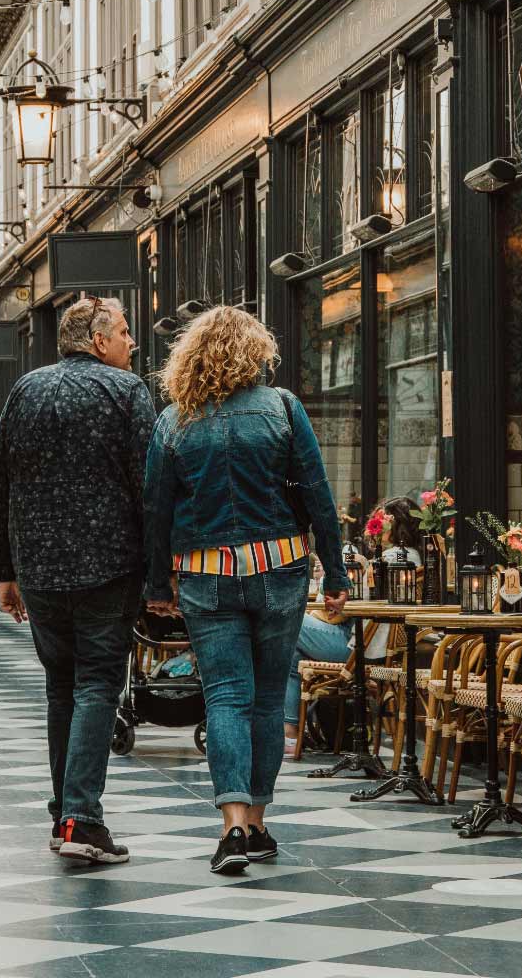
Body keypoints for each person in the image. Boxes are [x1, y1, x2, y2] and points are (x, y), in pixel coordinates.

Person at [144, 306, 347, 875]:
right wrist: (336, 573)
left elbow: (155, 508)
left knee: (225, 696)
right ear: (256, 351)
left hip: (206, 575)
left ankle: (232, 824)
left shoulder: (174, 420)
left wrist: (157, 583)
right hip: (279, 567)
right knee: (264, 697)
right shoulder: (282, 408)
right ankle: (258, 821)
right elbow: (316, 494)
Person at [0, 297, 153, 866]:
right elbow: (147, 489)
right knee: (98, 684)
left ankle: (64, 814)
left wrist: (3, 569)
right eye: (126, 332)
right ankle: (83, 816)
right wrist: (159, 574)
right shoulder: (126, 393)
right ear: (98, 340)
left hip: (39, 571)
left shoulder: (25, 391)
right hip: (108, 567)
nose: (133, 343)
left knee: (62, 686)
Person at [282, 498, 413, 754]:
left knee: (287, 621)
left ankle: (287, 728)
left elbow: (343, 607)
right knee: (291, 653)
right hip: (364, 641)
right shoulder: (386, 558)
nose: (376, 524)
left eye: (383, 518)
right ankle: (290, 730)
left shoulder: (393, 560)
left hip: (361, 648)